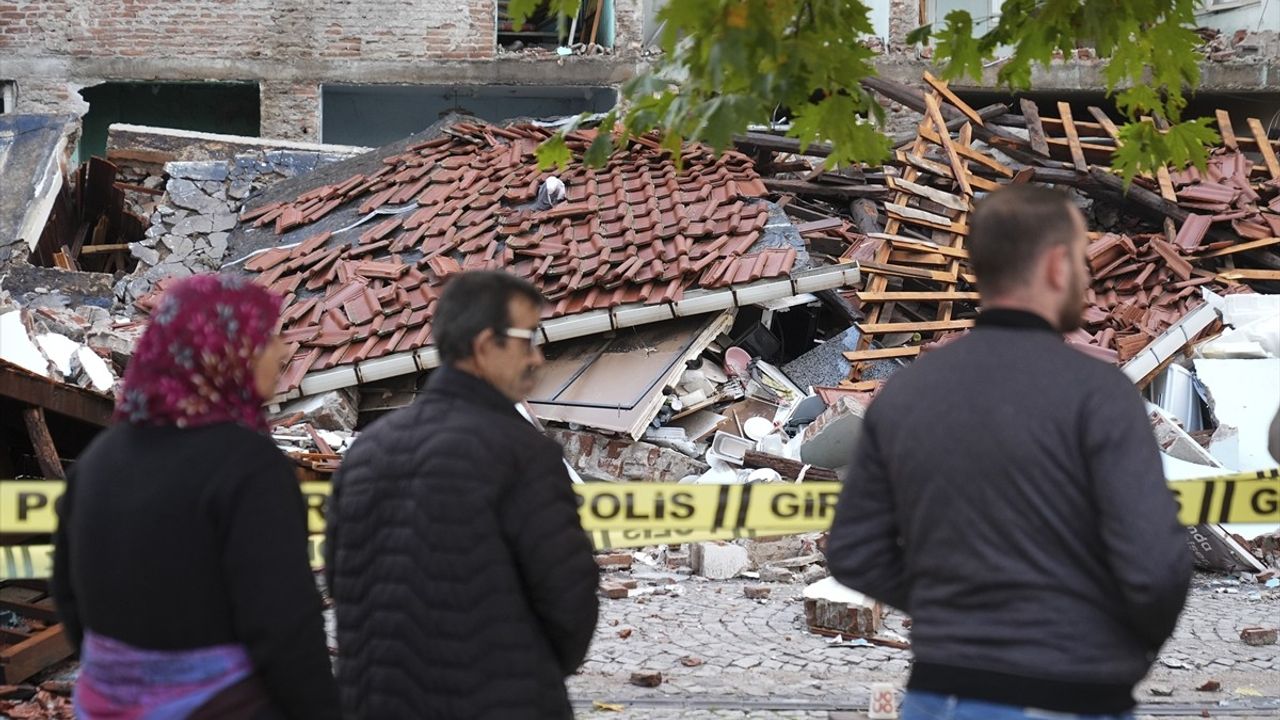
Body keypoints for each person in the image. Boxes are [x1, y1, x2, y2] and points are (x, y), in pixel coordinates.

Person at [828, 186, 1191, 719]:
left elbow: (854, 552)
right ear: (1052, 266)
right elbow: (1155, 566)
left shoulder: (908, 392)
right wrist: (1116, 645)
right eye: (1078, 259)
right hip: (1071, 693)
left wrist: (950, 612)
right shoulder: (1099, 395)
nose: (1088, 278)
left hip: (942, 693)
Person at [52, 274, 340, 719]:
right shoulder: (249, 466)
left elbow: (69, 597)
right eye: (265, 338)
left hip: (102, 703)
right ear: (221, 352)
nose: (283, 352)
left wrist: (127, 678)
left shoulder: (98, 459)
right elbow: (285, 629)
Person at [327, 270, 599, 720]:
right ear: (485, 345)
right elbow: (569, 598)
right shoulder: (522, 455)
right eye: (528, 338)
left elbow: (344, 583)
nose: (539, 355)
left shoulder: (366, 452)